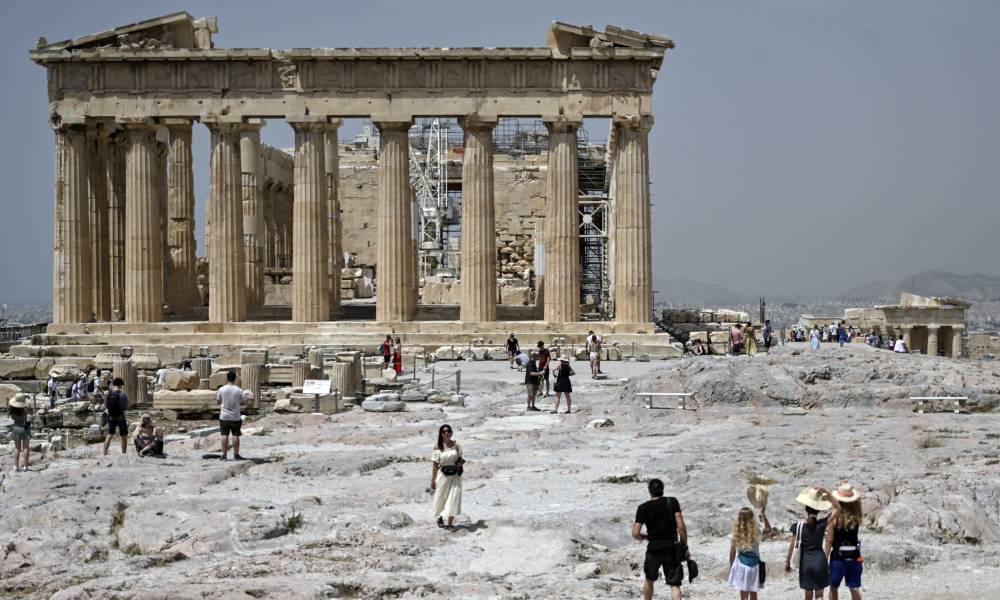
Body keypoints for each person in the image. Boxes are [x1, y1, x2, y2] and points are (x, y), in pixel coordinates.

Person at [633, 478, 688, 600]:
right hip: (671, 547)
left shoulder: (643, 508)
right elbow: (681, 526)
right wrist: (684, 545)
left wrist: (645, 537)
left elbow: (635, 533)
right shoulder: (672, 502)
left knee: (649, 579)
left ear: (649, 491)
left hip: (653, 548)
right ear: (662, 490)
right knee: (674, 584)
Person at [786, 486, 835, 600]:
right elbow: (837, 508)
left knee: (808, 596)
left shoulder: (798, 527)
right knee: (819, 596)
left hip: (806, 564)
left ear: (806, 509)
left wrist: (788, 562)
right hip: (820, 562)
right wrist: (827, 492)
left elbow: (792, 546)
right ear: (818, 510)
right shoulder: (822, 525)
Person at [827, 483, 864, 600]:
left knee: (833, 587)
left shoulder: (835, 518)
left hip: (838, 558)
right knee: (854, 587)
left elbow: (829, 540)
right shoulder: (856, 516)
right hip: (855, 556)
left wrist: (824, 557)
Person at [727, 505, 773, 599]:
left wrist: (731, 566)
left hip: (741, 565)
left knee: (743, 595)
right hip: (754, 565)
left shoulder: (736, 534)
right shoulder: (756, 532)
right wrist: (763, 514)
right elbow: (769, 530)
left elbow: (732, 552)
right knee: (753, 592)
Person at [430, 424, 464, 530]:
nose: (446, 433)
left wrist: (460, 464)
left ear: (451, 432)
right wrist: (433, 480)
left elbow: (460, 458)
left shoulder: (456, 445)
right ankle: (440, 517)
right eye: (444, 431)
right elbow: (435, 464)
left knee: (454, 497)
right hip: (443, 475)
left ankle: (450, 524)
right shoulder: (437, 447)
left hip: (454, 475)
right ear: (441, 434)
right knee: (441, 497)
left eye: (448, 431)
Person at [217, 370, 252, 461]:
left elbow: (218, 401)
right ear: (235, 379)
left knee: (224, 435)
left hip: (224, 416)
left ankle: (224, 455)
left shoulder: (222, 389)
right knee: (235, 435)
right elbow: (244, 402)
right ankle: (236, 455)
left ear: (227, 378)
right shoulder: (239, 390)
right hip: (235, 416)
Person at [103, 377, 129, 456]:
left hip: (111, 417)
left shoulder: (108, 394)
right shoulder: (123, 394)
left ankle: (104, 453)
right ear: (121, 385)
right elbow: (126, 406)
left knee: (110, 435)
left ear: (113, 384)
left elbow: (106, 405)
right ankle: (123, 454)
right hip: (121, 417)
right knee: (123, 436)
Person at [8, 394, 32, 472]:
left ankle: (16, 466)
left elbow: (11, 417)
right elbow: (30, 419)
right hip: (25, 428)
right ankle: (25, 466)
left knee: (17, 448)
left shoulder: (11, 409)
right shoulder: (26, 410)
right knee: (26, 448)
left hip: (16, 428)